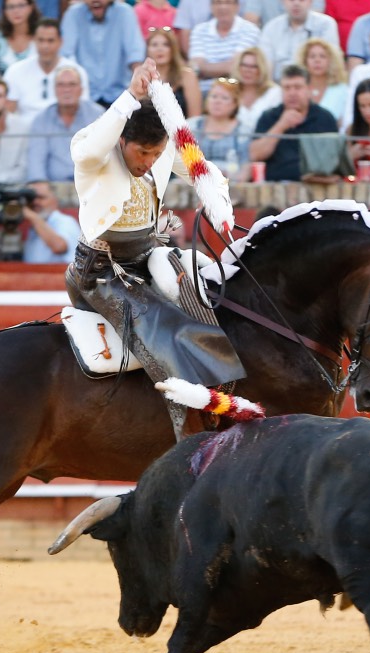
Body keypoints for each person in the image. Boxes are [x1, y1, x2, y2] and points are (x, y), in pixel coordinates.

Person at [65, 57, 245, 441]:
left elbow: (204, 170)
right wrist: (131, 96)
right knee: (166, 334)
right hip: (101, 272)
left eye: (154, 154)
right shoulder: (94, 150)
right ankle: (189, 435)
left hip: (148, 255)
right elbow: (88, 151)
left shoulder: (160, 152)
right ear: (122, 141)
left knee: (205, 298)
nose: (146, 162)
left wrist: (218, 198)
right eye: (140, 154)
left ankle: (221, 397)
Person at [250, 63, 338, 181]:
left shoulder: (324, 118)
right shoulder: (269, 117)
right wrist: (281, 125)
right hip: (274, 187)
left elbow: (334, 160)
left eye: (297, 87)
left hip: (315, 187)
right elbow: (255, 155)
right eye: (287, 88)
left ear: (308, 89)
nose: (292, 93)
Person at [3, 18, 90, 127]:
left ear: (60, 42)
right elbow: (8, 113)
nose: (45, 46)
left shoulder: (77, 72)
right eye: (41, 40)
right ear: (34, 41)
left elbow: (83, 110)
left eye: (50, 41)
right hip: (26, 134)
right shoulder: (15, 71)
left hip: (64, 133)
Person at [60, 0, 145, 108]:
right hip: (84, 98)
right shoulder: (72, 14)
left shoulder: (125, 13)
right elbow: (67, 56)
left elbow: (135, 54)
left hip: (121, 97)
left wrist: (138, 75)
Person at [27, 65, 102, 181]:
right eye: (61, 85)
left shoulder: (98, 116)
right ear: (55, 90)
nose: (66, 90)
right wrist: (42, 189)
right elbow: (36, 164)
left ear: (81, 89)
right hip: (53, 188)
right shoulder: (41, 120)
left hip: (91, 186)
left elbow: (105, 157)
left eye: (72, 84)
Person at [187, 0, 259, 94]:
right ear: (211, 6)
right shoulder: (199, 30)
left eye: (228, 2)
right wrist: (227, 68)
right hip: (202, 92)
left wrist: (205, 70)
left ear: (237, 6)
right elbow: (195, 66)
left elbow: (236, 66)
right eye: (218, 2)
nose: (222, 7)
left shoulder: (250, 30)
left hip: (236, 91)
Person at [258, 0, 338, 84]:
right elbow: (265, 69)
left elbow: (331, 65)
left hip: (315, 86)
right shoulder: (271, 28)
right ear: (282, 2)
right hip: (278, 88)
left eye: (302, 0)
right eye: (291, 0)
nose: (296, 3)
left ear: (310, 2)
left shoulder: (326, 25)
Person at [187, 76, 249, 179]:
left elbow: (245, 166)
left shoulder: (243, 129)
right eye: (214, 96)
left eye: (224, 98)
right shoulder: (192, 126)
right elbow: (183, 163)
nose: (217, 101)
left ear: (235, 104)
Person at [146, 25, 201, 118]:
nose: (160, 49)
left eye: (166, 44)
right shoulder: (143, 77)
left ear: (173, 49)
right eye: (154, 45)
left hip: (181, 131)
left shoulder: (187, 76)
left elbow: (194, 117)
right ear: (148, 50)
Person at [21, 180, 80, 263]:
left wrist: (34, 217)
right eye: (30, 198)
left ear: (55, 199)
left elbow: (59, 247)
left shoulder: (64, 221)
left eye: (41, 197)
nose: (35, 202)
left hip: (58, 274)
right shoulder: (34, 225)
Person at [296, 37, 347, 125]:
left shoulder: (343, 90)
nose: (317, 60)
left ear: (331, 61)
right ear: (305, 61)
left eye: (322, 56)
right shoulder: (297, 89)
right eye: (312, 56)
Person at [231, 46, 280, 135]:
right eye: (244, 65)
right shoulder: (229, 91)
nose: (247, 70)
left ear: (262, 69)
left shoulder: (274, 93)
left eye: (254, 66)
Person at [0, 0, 38, 75]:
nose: (16, 11)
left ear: (31, 7)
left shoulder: (41, 35)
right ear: (4, 11)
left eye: (21, 6)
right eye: (10, 7)